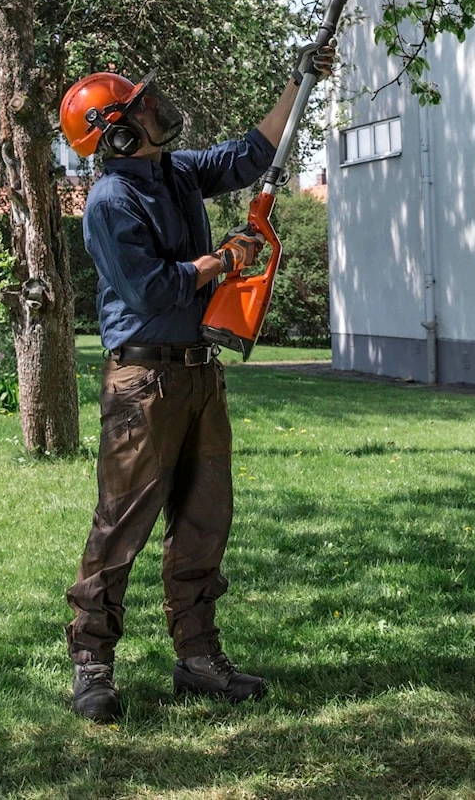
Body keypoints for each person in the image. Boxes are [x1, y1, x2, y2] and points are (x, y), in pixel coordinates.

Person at [55, 48, 331, 724]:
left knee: (205, 523)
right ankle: (92, 668)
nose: (155, 110)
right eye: (139, 111)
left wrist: (299, 79)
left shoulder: (174, 171)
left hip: (199, 375)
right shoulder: (110, 202)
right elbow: (152, 288)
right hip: (142, 382)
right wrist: (222, 259)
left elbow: (248, 154)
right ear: (116, 135)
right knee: (120, 528)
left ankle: (199, 659)